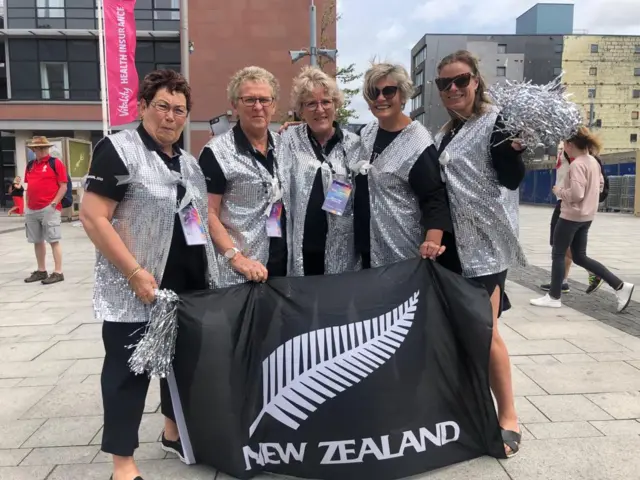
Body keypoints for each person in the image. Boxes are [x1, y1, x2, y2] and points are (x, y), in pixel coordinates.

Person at [79, 69, 219, 480]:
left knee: (180, 364)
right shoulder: (118, 150)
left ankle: (173, 432)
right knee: (127, 372)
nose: (171, 117)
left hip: (186, 288)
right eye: (162, 106)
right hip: (136, 288)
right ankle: (122, 464)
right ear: (142, 106)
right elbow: (93, 217)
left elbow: (196, 220)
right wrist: (135, 272)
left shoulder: (188, 164)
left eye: (179, 109)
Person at [433, 50, 527, 457]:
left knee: (486, 333)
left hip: (486, 248)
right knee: (463, 333)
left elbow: (510, 175)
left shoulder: (496, 122)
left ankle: (508, 416)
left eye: (461, 80)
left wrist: (514, 150)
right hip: (453, 247)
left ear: (476, 81)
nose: (453, 89)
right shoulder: (445, 133)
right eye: (444, 84)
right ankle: (468, 408)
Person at [350, 62, 452, 269]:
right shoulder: (366, 134)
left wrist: (433, 240)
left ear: (403, 96)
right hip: (365, 250)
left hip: (401, 250)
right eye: (373, 92)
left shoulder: (418, 143)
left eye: (388, 91)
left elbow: (434, 197)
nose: (380, 98)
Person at [199, 66, 287, 287]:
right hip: (236, 275)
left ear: (274, 105)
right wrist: (236, 258)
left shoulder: (284, 146)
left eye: (264, 100)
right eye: (249, 100)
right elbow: (207, 213)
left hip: (280, 271)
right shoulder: (216, 152)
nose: (258, 107)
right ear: (235, 105)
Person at [530, 126, 634, 312]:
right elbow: (600, 185)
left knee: (559, 253)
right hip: (587, 216)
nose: (564, 149)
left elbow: (576, 194)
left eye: (564, 145)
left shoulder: (578, 164)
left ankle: (554, 296)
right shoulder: (593, 161)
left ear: (570, 145)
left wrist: (559, 191)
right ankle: (619, 286)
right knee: (579, 256)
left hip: (571, 215)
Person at [280, 66, 360, 276]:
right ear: (301, 109)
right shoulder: (288, 140)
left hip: (342, 253)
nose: (320, 109)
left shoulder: (354, 144)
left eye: (326, 102)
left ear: (336, 104)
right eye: (311, 104)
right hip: (301, 251)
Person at [539, 148, 603, 294]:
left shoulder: (577, 157)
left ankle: (592, 271)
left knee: (560, 245)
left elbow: (585, 187)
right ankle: (562, 281)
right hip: (569, 202)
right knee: (563, 245)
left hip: (568, 203)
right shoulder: (578, 155)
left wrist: (561, 192)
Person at [23, 136, 68, 285]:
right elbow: (28, 186)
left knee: (53, 240)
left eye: (45, 147)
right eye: (40, 148)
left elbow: (63, 186)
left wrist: (54, 203)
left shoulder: (55, 163)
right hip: (32, 208)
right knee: (37, 240)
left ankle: (58, 271)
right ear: (34, 149)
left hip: (49, 207)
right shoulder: (30, 165)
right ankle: (41, 270)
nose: (43, 150)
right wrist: (27, 205)